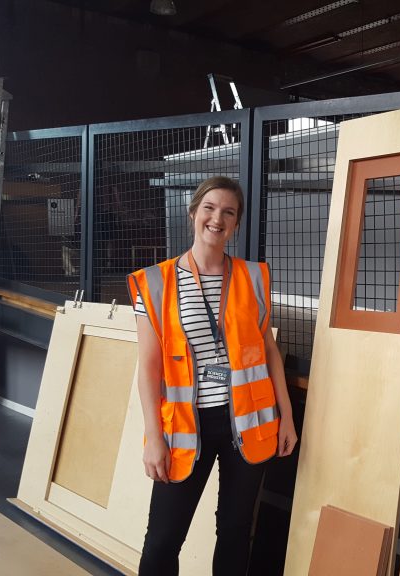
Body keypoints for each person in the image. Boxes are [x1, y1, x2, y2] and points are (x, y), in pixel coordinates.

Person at [128, 176, 298, 575]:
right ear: (193, 213)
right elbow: (149, 367)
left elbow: (268, 351)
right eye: (209, 208)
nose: (217, 218)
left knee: (236, 532)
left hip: (248, 421)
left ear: (236, 223)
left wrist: (287, 417)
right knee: (163, 540)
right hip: (187, 425)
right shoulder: (155, 282)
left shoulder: (253, 277)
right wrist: (153, 436)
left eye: (228, 212)